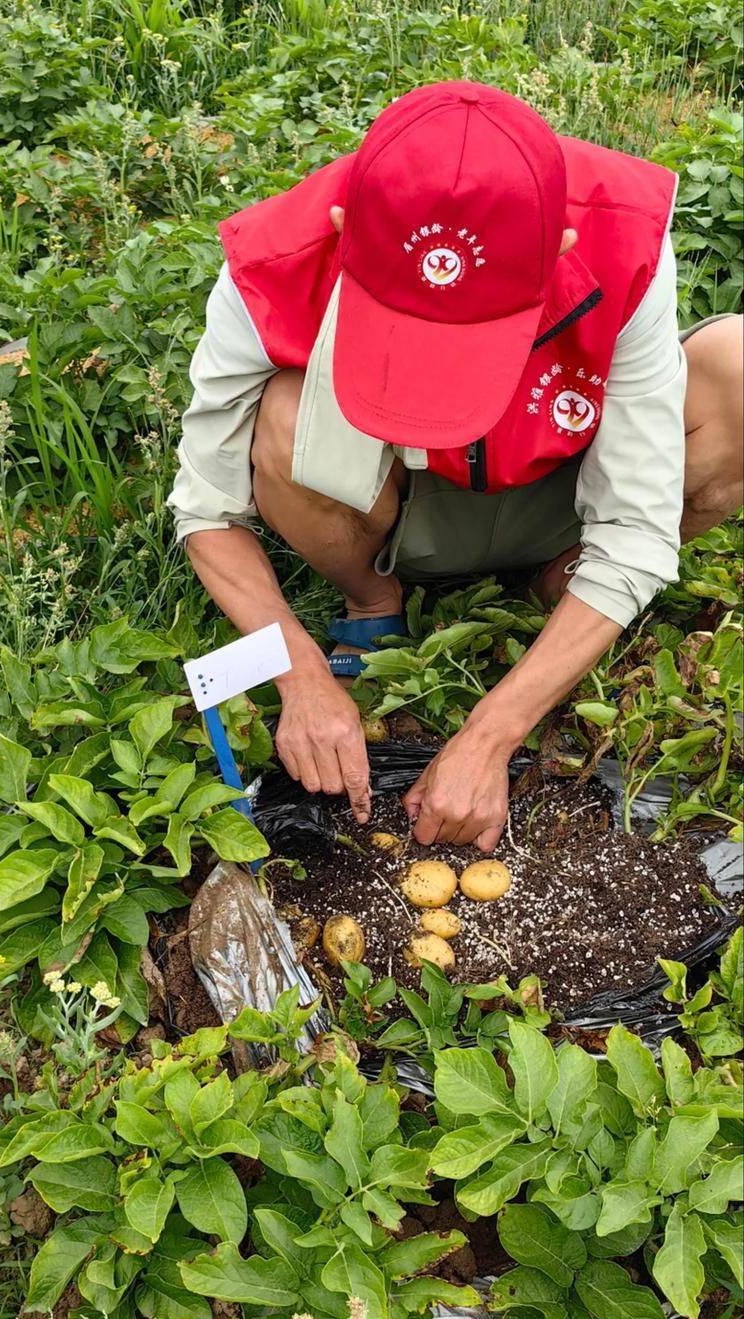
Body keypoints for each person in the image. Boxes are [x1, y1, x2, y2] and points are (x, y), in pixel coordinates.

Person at [168, 81, 743, 850]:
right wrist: (298, 671)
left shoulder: (620, 238)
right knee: (277, 415)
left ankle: (567, 584)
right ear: (345, 231)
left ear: (560, 251)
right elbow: (206, 508)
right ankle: (372, 600)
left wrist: (490, 735)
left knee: (738, 367)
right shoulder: (277, 261)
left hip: (557, 482)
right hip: (397, 504)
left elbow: (639, 525)